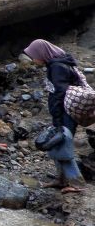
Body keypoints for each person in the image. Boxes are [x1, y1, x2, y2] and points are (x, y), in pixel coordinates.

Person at [24, 39, 87, 193]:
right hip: (65, 111)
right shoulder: (58, 63)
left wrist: (58, 119)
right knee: (57, 143)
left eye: (34, 56)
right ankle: (61, 179)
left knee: (63, 144)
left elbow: (60, 92)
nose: (33, 60)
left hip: (65, 112)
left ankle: (76, 183)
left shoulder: (57, 67)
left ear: (42, 53)